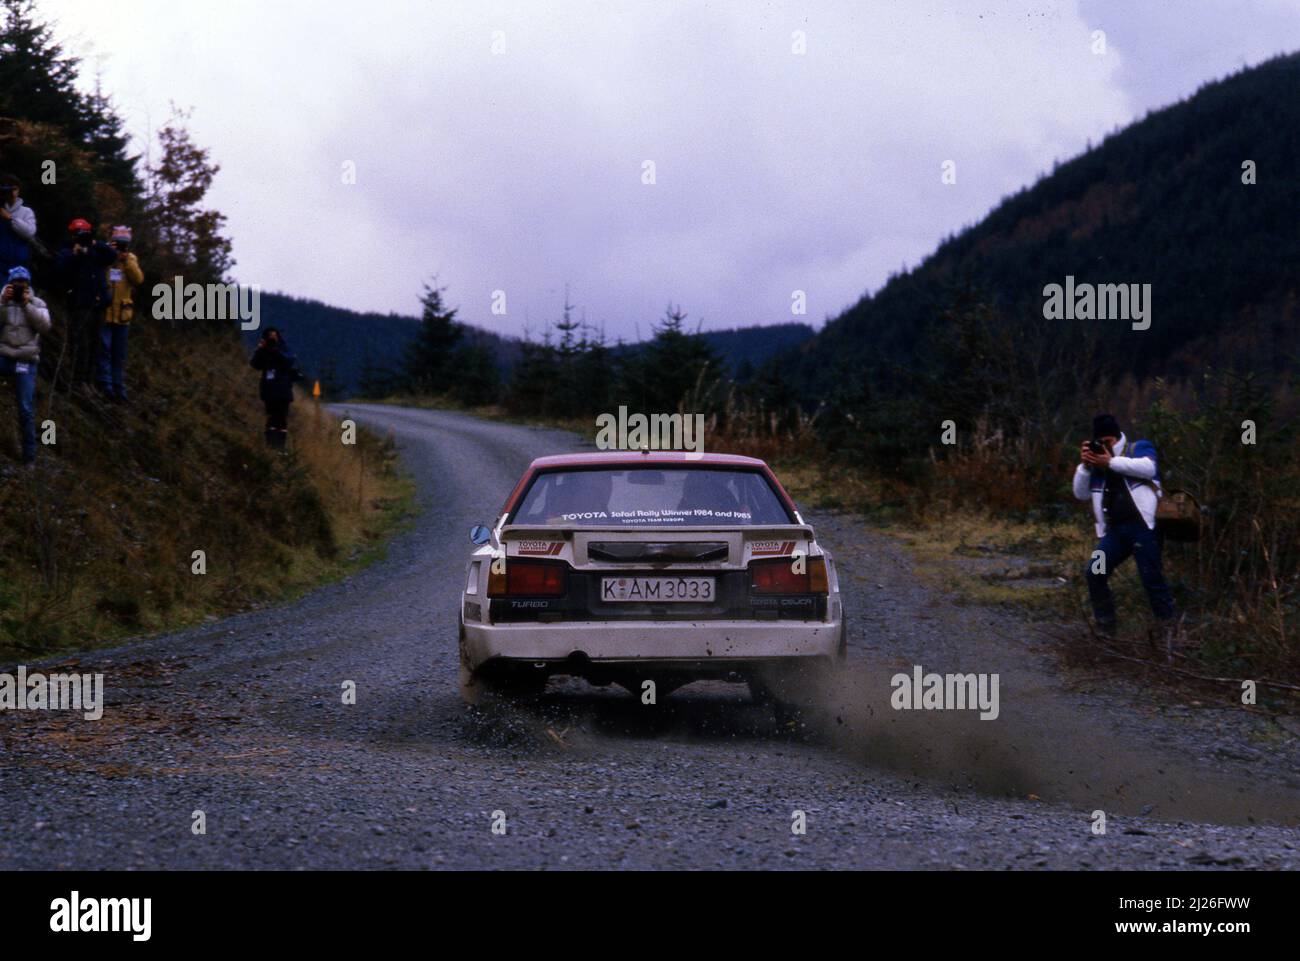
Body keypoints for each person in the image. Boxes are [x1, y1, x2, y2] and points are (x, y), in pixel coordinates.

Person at [1073, 413, 1177, 646]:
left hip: (1144, 528)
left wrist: (1109, 461)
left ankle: (1169, 632)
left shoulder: (1138, 447)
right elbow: (1080, 494)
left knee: (1152, 578)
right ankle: (1106, 629)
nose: (1104, 446)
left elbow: (1149, 469)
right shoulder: (1096, 465)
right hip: (1115, 533)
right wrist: (1085, 466)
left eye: (1107, 441)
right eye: (1099, 442)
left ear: (1116, 438)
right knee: (1094, 572)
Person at [0, 267, 53, 465]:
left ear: (29, 285)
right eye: (16, 283)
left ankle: (29, 457)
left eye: (23, 283)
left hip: (26, 358)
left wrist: (26, 305)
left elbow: (45, 327)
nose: (20, 287)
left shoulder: (37, 303)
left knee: (25, 407)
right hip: (4, 354)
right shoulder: (3, 300)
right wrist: (3, 302)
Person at [56, 218, 116, 387]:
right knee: (79, 342)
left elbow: (111, 256)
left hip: (97, 304)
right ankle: (76, 379)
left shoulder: (95, 252)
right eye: (77, 234)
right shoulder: (68, 251)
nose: (80, 237)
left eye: (84, 234)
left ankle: (88, 380)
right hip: (79, 303)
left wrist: (95, 243)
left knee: (95, 343)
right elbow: (60, 268)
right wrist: (75, 254)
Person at [96, 225, 144, 401]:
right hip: (106, 312)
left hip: (123, 314)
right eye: (118, 243)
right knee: (104, 349)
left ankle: (119, 386)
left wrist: (126, 262)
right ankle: (105, 383)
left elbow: (138, 279)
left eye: (124, 244)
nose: (121, 248)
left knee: (119, 353)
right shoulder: (104, 255)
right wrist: (110, 255)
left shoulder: (131, 259)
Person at [249, 327, 301, 449]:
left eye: (274, 336)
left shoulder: (283, 348)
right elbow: (254, 364)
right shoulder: (264, 351)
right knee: (272, 417)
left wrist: (275, 351)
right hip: (270, 390)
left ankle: (279, 446)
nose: (272, 339)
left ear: (278, 336)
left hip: (283, 390)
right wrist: (260, 350)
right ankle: (272, 445)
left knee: (281, 419)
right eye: (270, 337)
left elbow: (289, 361)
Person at [0, 174, 38, 281]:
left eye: (14, 189)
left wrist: (10, 218)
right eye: (8, 189)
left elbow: (30, 233)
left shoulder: (26, 211)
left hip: (19, 264)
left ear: (19, 190)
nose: (12, 193)